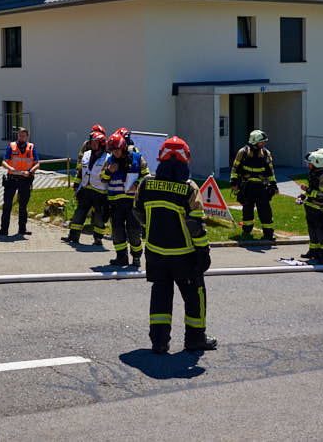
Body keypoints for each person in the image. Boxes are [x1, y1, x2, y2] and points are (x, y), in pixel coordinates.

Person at [135, 136, 217, 354]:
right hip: (184, 256)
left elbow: (138, 213)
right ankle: (195, 339)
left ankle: (159, 342)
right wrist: (204, 251)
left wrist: (154, 226)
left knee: (160, 295)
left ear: (161, 159)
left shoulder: (146, 184)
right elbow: (195, 226)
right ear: (185, 160)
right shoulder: (189, 189)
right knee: (195, 296)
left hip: (155, 254)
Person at [101, 131, 149, 267]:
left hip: (132, 203)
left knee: (134, 231)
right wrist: (109, 171)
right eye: (112, 150)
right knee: (117, 231)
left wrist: (137, 184)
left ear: (123, 147)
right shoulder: (109, 160)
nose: (114, 153)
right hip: (115, 203)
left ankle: (136, 258)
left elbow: (147, 176)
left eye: (117, 150)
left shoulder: (137, 158)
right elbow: (102, 178)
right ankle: (121, 257)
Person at [230, 129, 278, 240]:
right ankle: (247, 232)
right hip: (247, 187)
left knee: (265, 211)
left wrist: (273, 185)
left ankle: (268, 234)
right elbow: (235, 168)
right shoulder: (243, 152)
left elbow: (270, 171)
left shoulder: (266, 153)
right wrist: (234, 182)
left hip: (261, 187)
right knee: (247, 210)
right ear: (254, 141)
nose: (263, 143)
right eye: (261, 141)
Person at [62, 131, 108, 245]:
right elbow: (81, 172)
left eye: (95, 142)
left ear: (101, 144)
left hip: (100, 192)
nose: (92, 144)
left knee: (99, 217)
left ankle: (98, 239)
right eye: (92, 142)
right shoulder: (86, 154)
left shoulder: (107, 158)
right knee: (79, 213)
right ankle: (73, 236)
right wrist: (76, 185)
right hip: (85, 190)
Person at [0, 126, 40, 237]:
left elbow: (37, 164)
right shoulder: (11, 146)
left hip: (25, 180)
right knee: (7, 205)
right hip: (12, 179)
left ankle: (22, 229)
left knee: (23, 206)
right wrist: (10, 168)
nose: (21, 137)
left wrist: (30, 171)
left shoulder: (31, 147)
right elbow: (4, 162)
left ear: (27, 137)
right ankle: (3, 230)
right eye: (19, 135)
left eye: (23, 136)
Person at [298, 151, 323, 263]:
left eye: (310, 163)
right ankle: (313, 251)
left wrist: (307, 190)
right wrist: (302, 196)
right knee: (312, 231)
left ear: (317, 164)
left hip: (320, 209)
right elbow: (312, 188)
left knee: (321, 232)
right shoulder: (315, 173)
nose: (308, 165)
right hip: (311, 207)